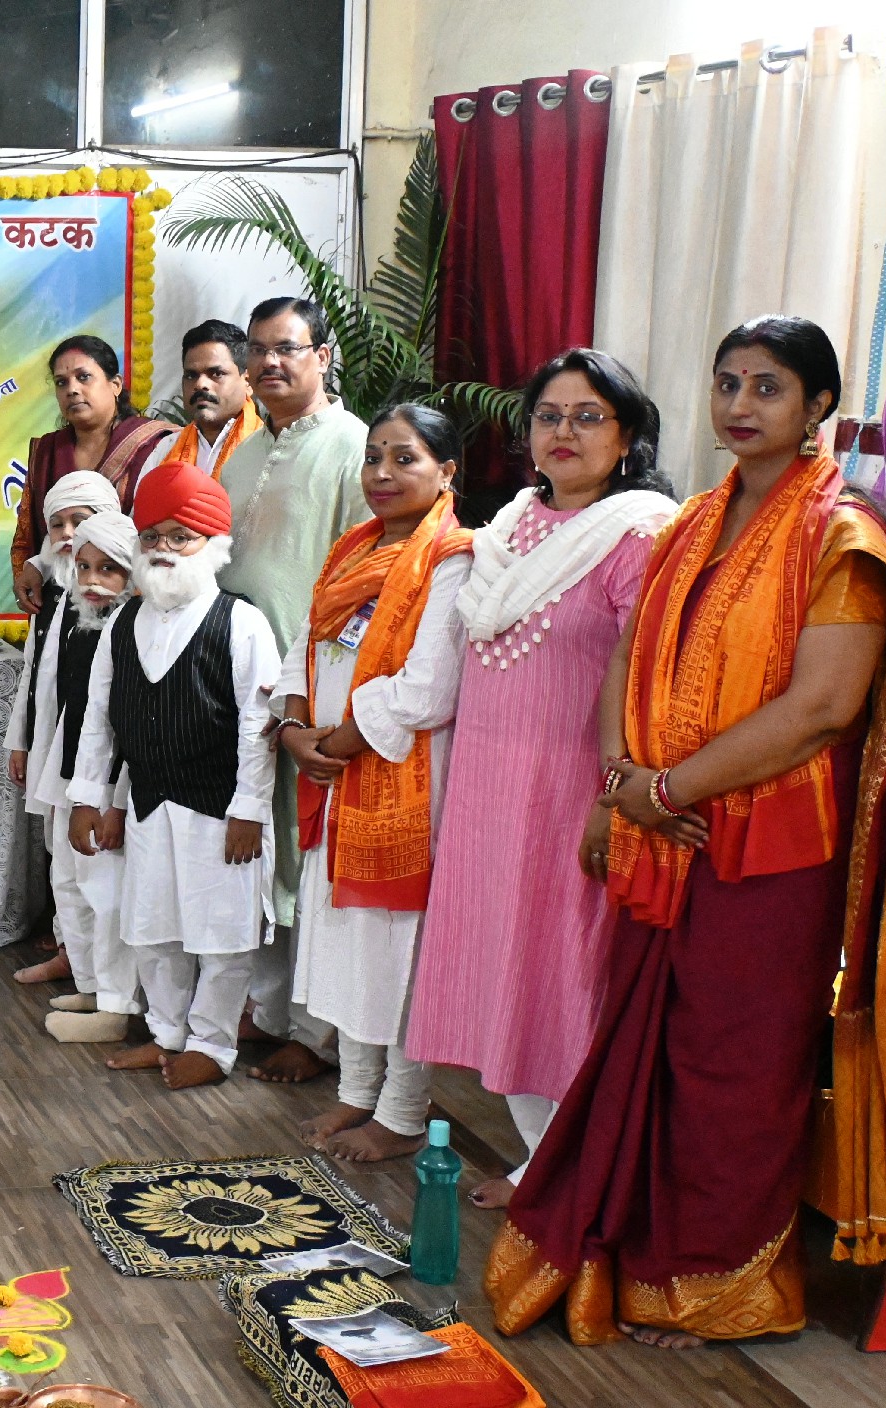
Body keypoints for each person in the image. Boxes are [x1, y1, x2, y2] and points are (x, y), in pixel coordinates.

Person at [488, 317, 886, 1348]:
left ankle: (725, 1286)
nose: (741, 404)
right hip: (667, 834)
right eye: (728, 383)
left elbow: (822, 708)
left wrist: (664, 787)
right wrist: (620, 784)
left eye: (768, 386)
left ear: (817, 406)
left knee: (736, 1069)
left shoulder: (844, 535)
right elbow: (629, 656)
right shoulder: (693, 521)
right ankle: (642, 1255)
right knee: (652, 1048)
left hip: (772, 849)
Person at [404, 351, 676, 1207]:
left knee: (567, 977)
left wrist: (615, 798)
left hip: (574, 798)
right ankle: (540, 1156)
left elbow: (652, 685)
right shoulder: (506, 530)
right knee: (501, 971)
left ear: (627, 437)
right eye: (549, 416)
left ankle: (571, 1168)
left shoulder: (640, 537)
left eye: (588, 416)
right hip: (487, 795)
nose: (564, 432)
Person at [275, 404, 472, 1161]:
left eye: (404, 458)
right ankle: (357, 1090)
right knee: (346, 940)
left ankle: (403, 1110)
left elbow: (426, 690)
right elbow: (305, 645)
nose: (382, 474)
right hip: (333, 769)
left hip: (400, 777)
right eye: (373, 458)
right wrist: (295, 729)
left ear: (446, 472)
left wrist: (334, 743)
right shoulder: (352, 550)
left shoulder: (453, 558)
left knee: (396, 948)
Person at [68, 462, 279, 1089]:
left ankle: (212, 1047)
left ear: (212, 545)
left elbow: (259, 725)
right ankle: (165, 1034)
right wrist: (87, 798)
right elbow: (99, 718)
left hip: (220, 808)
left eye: (180, 537)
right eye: (152, 536)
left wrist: (249, 809)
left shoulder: (241, 621)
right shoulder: (123, 622)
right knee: (153, 927)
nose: (163, 549)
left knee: (222, 935)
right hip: (148, 803)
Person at [218, 296, 371, 1085]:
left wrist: (315, 694)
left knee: (312, 855)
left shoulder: (354, 446)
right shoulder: (242, 454)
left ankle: (319, 1033)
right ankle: (271, 1010)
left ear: (323, 355)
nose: (270, 362)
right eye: (259, 349)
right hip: (240, 686)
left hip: (313, 688)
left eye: (287, 348)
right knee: (261, 849)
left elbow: (366, 576)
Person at [4, 471, 121, 988]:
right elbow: (35, 670)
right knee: (61, 860)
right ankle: (72, 957)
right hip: (54, 744)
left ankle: (103, 985)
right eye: (58, 524)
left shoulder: (117, 596)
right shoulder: (49, 588)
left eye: (81, 520)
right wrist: (21, 740)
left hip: (98, 758)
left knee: (95, 868)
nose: (68, 533)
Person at [37, 509, 141, 1043]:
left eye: (109, 569)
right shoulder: (80, 616)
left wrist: (111, 798)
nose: (93, 581)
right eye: (83, 567)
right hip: (75, 772)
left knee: (108, 893)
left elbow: (124, 724)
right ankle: (94, 986)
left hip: (111, 785)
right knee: (72, 881)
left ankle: (118, 1008)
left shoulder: (134, 628)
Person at [11, 336, 173, 612]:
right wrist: (34, 567)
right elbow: (31, 534)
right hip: (59, 604)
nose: (72, 389)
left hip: (134, 605)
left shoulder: (157, 444)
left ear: (115, 385)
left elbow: (166, 534)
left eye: (83, 377)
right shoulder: (47, 451)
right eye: (61, 382)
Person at [143, 320, 260, 480]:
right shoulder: (166, 450)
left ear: (248, 381)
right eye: (191, 375)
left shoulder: (266, 447)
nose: (200, 384)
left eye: (216, 374)